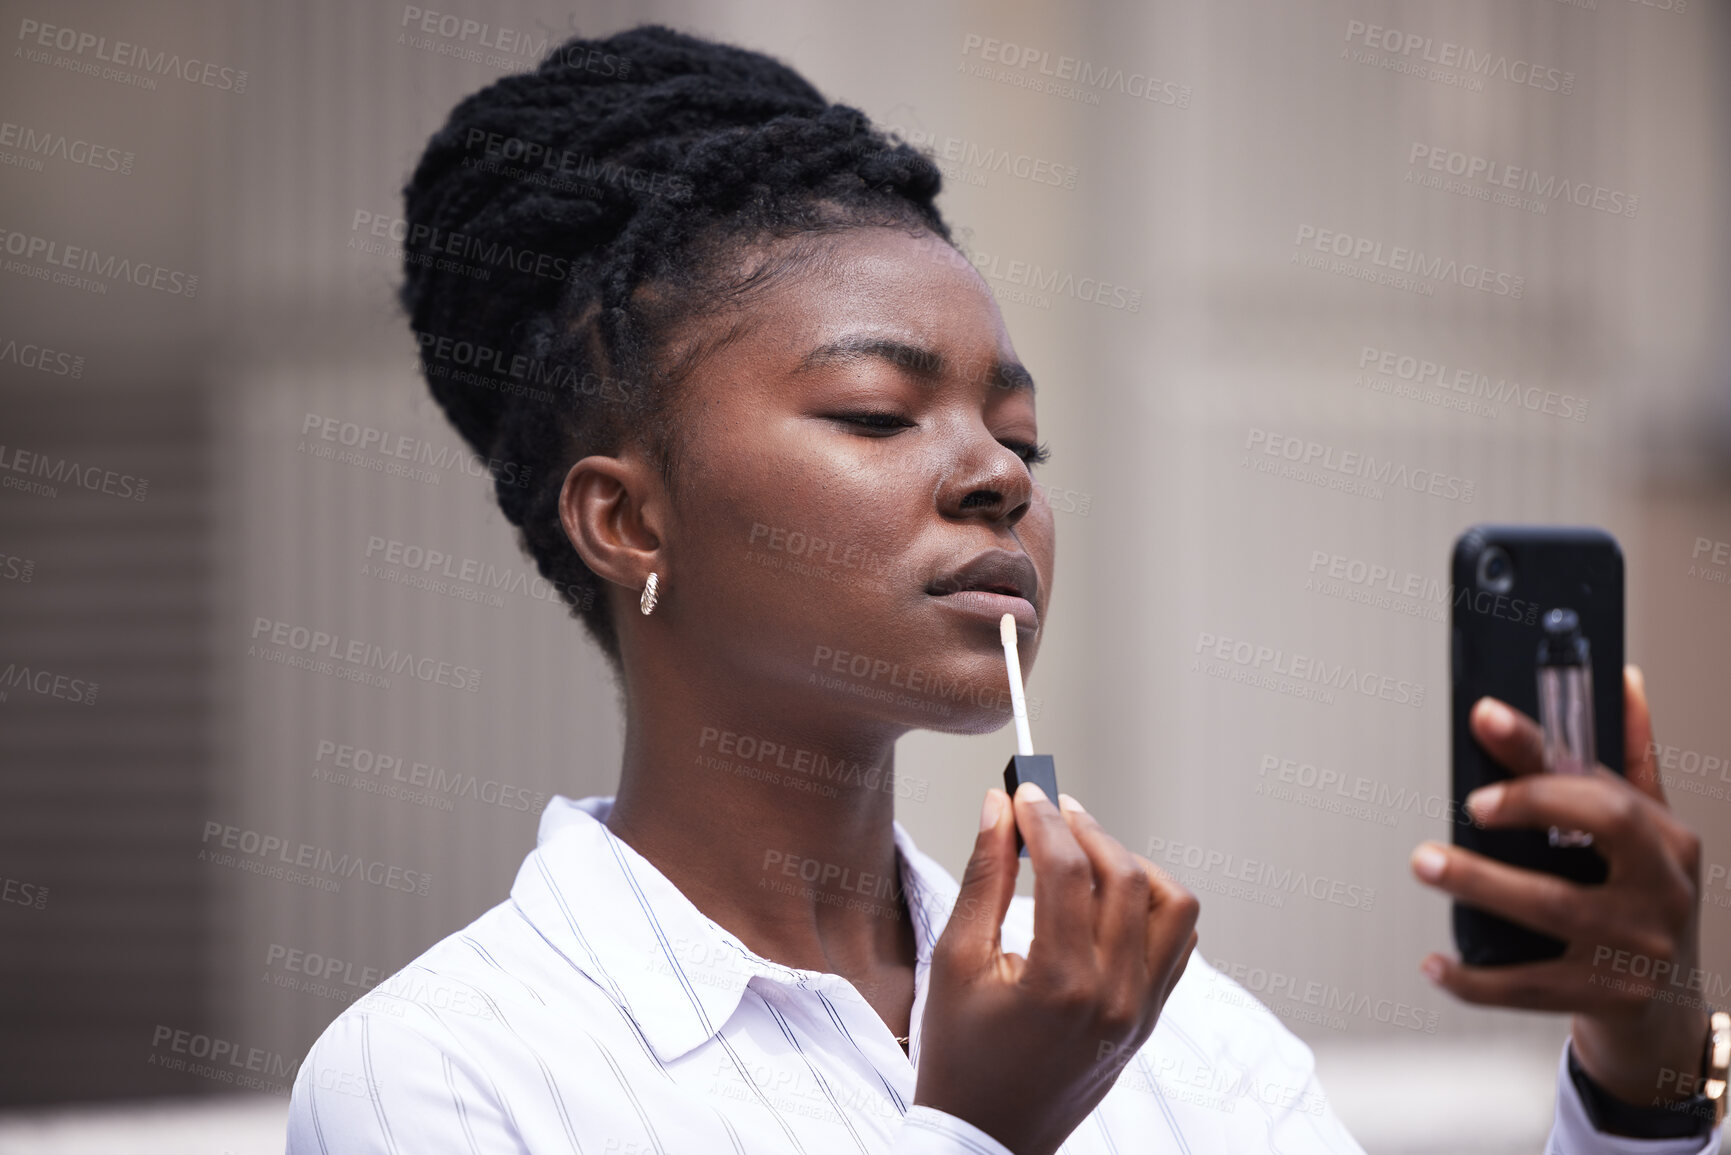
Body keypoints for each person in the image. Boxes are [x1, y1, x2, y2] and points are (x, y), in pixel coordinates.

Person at [286, 23, 1724, 1154]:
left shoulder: (1156, 1025)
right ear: (627, 519)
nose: (1000, 480)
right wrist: (975, 1132)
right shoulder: (443, 1080)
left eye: (1022, 436)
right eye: (875, 414)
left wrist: (1647, 1078)